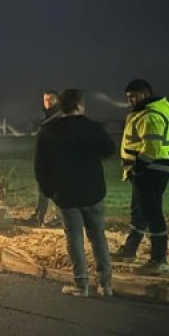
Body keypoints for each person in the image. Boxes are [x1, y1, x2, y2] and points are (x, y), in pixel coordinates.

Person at [34, 89, 116, 297]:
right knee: (98, 237)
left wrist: (50, 191)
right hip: (93, 191)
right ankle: (105, 284)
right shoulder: (91, 127)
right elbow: (109, 149)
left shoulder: (49, 130)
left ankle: (81, 284)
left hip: (66, 194)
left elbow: (40, 166)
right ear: (80, 104)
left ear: (61, 106)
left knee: (74, 239)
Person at [115, 78, 169, 274]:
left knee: (152, 213)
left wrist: (139, 167)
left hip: (151, 170)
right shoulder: (142, 114)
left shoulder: (151, 116)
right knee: (139, 212)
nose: (131, 100)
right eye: (128, 97)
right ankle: (130, 250)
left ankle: (159, 260)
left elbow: (152, 147)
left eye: (134, 96)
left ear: (145, 94)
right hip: (146, 170)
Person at [32, 90, 62, 226]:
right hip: (44, 160)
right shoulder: (46, 118)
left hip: (56, 161)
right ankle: (39, 216)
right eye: (45, 99)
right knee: (43, 189)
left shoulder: (59, 117)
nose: (48, 102)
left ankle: (60, 218)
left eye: (51, 99)